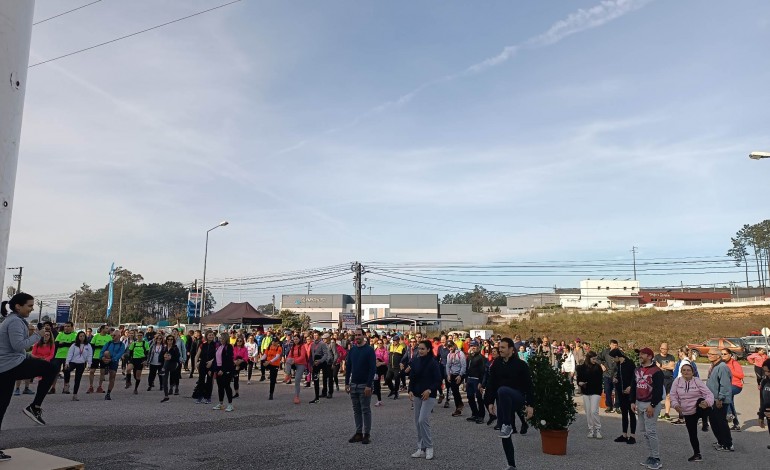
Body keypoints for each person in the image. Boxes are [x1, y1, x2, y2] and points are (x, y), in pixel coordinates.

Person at [0, 294, 58, 461]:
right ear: (18, 306)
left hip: (6, 368)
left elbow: (15, 350)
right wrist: (38, 335)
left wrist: (31, 359)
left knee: (1, 408)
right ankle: (35, 406)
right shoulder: (15, 322)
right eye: (30, 306)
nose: (32, 308)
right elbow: (19, 345)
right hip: (10, 367)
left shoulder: (13, 320)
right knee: (50, 369)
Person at [481, 338, 533, 470]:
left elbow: (529, 386)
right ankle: (511, 465)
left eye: (503, 347)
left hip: (518, 398)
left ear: (511, 349)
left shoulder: (521, 365)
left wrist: (530, 405)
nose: (500, 350)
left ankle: (506, 424)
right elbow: (491, 384)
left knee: (503, 390)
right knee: (505, 433)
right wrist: (489, 402)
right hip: (504, 402)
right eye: (500, 347)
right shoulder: (496, 364)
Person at [670, 362, 713, 462]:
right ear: (681, 372)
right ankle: (697, 454)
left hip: (699, 408)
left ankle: (705, 422)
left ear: (693, 372)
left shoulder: (697, 381)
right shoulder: (677, 381)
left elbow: (709, 394)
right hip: (687, 411)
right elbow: (673, 396)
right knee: (692, 434)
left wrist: (707, 402)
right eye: (684, 370)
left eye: (688, 370)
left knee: (700, 401)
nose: (686, 372)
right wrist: (675, 405)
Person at [631, 347, 665, 470]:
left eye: (643, 354)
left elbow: (658, 390)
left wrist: (653, 405)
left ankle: (656, 458)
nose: (640, 356)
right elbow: (634, 386)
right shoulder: (637, 370)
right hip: (639, 403)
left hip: (651, 404)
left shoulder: (656, 371)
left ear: (650, 356)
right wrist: (632, 401)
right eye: (640, 354)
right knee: (644, 431)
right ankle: (651, 456)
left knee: (651, 431)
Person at [408, 339, 441, 460]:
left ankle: (429, 447)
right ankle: (421, 448)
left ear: (428, 349)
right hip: (417, 394)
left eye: (423, 349)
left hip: (429, 395)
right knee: (417, 422)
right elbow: (412, 378)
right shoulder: (415, 361)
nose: (420, 351)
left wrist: (430, 390)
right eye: (419, 349)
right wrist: (410, 390)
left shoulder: (433, 363)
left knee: (423, 420)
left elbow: (438, 380)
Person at [345, 328, 376, 445]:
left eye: (359, 335)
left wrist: (369, 385)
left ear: (364, 336)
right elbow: (348, 367)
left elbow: (372, 368)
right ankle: (358, 433)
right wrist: (347, 383)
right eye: (356, 335)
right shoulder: (352, 350)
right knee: (356, 410)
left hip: (364, 385)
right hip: (354, 384)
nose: (357, 337)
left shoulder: (369, 350)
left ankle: (366, 434)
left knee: (365, 409)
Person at [705, 347, 733, 452]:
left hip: (719, 401)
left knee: (721, 422)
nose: (709, 355)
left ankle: (727, 444)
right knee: (714, 421)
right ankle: (721, 441)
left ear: (718, 356)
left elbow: (725, 385)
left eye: (711, 354)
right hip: (712, 399)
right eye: (708, 353)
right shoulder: (713, 365)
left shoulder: (722, 367)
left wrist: (720, 399)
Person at [610, 348, 637, 445]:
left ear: (617, 357)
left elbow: (635, 377)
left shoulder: (629, 363)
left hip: (629, 392)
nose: (613, 360)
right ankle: (624, 434)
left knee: (631, 413)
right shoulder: (618, 364)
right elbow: (619, 376)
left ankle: (633, 435)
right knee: (624, 413)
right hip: (621, 392)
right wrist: (615, 379)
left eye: (613, 358)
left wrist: (631, 387)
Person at [576, 350, 604, 438]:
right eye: (593, 359)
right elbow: (578, 379)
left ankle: (598, 429)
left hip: (596, 391)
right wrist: (580, 383)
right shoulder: (581, 368)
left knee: (594, 411)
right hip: (586, 391)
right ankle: (591, 429)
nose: (594, 360)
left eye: (596, 359)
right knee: (588, 412)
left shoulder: (598, 367)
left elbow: (599, 380)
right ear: (589, 358)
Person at [65, 331, 92, 401]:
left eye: (83, 336)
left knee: (78, 379)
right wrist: (67, 362)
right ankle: (67, 384)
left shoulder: (88, 345)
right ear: (78, 337)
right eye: (80, 336)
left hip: (82, 363)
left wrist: (89, 364)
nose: (82, 337)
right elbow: (70, 353)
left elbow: (90, 355)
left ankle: (75, 394)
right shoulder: (74, 345)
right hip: (73, 362)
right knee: (66, 370)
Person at [720, 348, 744, 431]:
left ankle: (729, 414)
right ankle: (736, 424)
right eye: (722, 354)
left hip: (736, 386)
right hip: (726, 386)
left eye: (725, 354)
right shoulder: (721, 363)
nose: (723, 356)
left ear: (730, 355)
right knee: (731, 403)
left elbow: (741, 375)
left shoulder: (734, 363)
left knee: (727, 394)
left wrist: (729, 370)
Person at [465, 340, 488, 424]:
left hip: (477, 380)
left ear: (478, 347)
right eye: (471, 346)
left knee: (479, 398)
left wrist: (481, 383)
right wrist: (466, 380)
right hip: (470, 379)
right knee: (470, 397)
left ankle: (481, 416)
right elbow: (467, 369)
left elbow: (483, 372)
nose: (473, 347)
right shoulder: (469, 357)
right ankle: (474, 414)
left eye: (474, 346)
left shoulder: (482, 358)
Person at [50, 321, 76, 394]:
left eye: (68, 326)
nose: (66, 328)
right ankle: (53, 388)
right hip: (58, 356)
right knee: (55, 371)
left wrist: (63, 343)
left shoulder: (74, 335)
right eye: (65, 326)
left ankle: (66, 387)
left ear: (71, 327)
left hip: (68, 357)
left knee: (67, 371)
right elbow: (56, 344)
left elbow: (73, 345)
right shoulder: (60, 334)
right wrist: (65, 344)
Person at [100, 331, 127, 400]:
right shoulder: (109, 343)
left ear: (118, 336)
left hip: (113, 361)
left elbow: (120, 354)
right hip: (106, 359)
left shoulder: (121, 345)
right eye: (112, 335)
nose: (113, 337)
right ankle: (105, 368)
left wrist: (113, 359)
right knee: (106, 352)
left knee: (112, 377)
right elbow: (102, 351)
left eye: (114, 335)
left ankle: (108, 393)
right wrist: (102, 357)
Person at [213, 332, 235, 412]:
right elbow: (216, 358)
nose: (220, 340)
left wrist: (223, 369)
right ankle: (221, 403)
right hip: (218, 368)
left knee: (227, 386)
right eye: (220, 338)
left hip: (226, 369)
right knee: (220, 387)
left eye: (222, 338)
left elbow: (228, 360)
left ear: (225, 339)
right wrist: (216, 369)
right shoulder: (219, 346)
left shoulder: (229, 347)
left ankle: (230, 404)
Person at [653, 343, 676, 421]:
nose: (664, 350)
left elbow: (672, 366)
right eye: (663, 349)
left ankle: (667, 413)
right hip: (659, 378)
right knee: (658, 395)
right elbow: (656, 366)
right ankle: (658, 412)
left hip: (669, 378)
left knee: (668, 396)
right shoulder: (656, 357)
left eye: (666, 349)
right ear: (660, 348)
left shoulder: (671, 357)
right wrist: (666, 367)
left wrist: (662, 366)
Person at [597, 339, 621, 413]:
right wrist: (601, 365)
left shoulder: (619, 352)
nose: (615, 346)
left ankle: (617, 406)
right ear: (610, 345)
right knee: (607, 390)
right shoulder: (605, 352)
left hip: (616, 374)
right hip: (607, 374)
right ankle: (609, 406)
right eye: (613, 345)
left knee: (617, 391)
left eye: (616, 345)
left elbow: (625, 360)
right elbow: (598, 358)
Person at [87, 325, 111, 394]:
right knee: (92, 371)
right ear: (102, 329)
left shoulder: (109, 337)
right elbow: (91, 345)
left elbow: (110, 346)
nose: (107, 330)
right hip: (96, 356)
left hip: (104, 356)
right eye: (106, 328)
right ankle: (91, 386)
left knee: (102, 372)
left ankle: (100, 386)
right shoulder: (96, 336)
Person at [309, 332, 331, 403]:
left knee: (325, 377)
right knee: (316, 379)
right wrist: (312, 363)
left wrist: (320, 361)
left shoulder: (322, 344)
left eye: (316, 335)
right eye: (314, 335)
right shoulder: (312, 344)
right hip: (315, 363)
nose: (315, 337)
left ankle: (327, 391)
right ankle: (316, 397)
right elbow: (312, 354)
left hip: (322, 362)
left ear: (319, 336)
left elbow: (325, 354)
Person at [445, 340, 466, 417]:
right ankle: (459, 405)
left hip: (460, 373)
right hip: (452, 374)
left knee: (454, 388)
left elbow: (463, 365)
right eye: (448, 347)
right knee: (454, 390)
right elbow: (448, 365)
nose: (450, 348)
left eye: (451, 346)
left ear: (454, 345)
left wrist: (460, 375)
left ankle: (459, 406)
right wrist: (448, 374)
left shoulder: (460, 354)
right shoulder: (449, 355)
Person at [287, 335, 308, 404]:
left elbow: (302, 357)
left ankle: (296, 396)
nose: (295, 340)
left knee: (297, 381)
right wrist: (290, 360)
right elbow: (289, 355)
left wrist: (294, 361)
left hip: (300, 364)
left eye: (296, 339)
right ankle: (288, 374)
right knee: (287, 360)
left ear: (299, 339)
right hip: (294, 363)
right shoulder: (293, 347)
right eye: (294, 339)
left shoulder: (302, 346)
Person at [159, 335, 180, 403]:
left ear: (173, 341)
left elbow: (177, 358)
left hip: (173, 365)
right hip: (165, 367)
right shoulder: (164, 348)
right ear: (166, 340)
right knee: (164, 381)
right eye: (168, 339)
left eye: (171, 339)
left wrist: (170, 357)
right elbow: (160, 359)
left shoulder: (175, 348)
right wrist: (164, 356)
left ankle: (163, 370)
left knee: (167, 360)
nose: (169, 341)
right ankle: (166, 396)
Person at [385, 335, 405, 400]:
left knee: (397, 380)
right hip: (391, 366)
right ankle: (392, 389)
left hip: (397, 367)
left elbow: (404, 357)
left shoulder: (402, 347)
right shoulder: (390, 346)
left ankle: (396, 393)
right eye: (393, 340)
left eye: (396, 340)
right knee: (387, 378)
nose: (394, 342)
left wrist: (402, 364)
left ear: (398, 340)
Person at [264, 335, 283, 400]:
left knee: (273, 380)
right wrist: (262, 360)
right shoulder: (269, 347)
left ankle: (271, 393)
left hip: (274, 364)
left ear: (277, 342)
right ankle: (263, 375)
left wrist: (269, 362)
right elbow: (265, 355)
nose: (273, 342)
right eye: (273, 341)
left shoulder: (279, 348)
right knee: (262, 363)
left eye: (275, 341)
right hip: (269, 363)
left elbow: (277, 357)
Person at [757, 358, 770, 449]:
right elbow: (762, 400)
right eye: (765, 371)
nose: (767, 374)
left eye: (769, 371)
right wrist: (761, 416)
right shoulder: (764, 381)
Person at [373, 338, 388, 407]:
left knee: (386, 380)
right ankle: (379, 400)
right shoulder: (375, 350)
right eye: (378, 343)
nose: (379, 344)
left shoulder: (385, 351)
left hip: (382, 367)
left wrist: (380, 363)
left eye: (380, 343)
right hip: (376, 367)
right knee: (376, 383)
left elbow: (386, 362)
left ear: (383, 344)